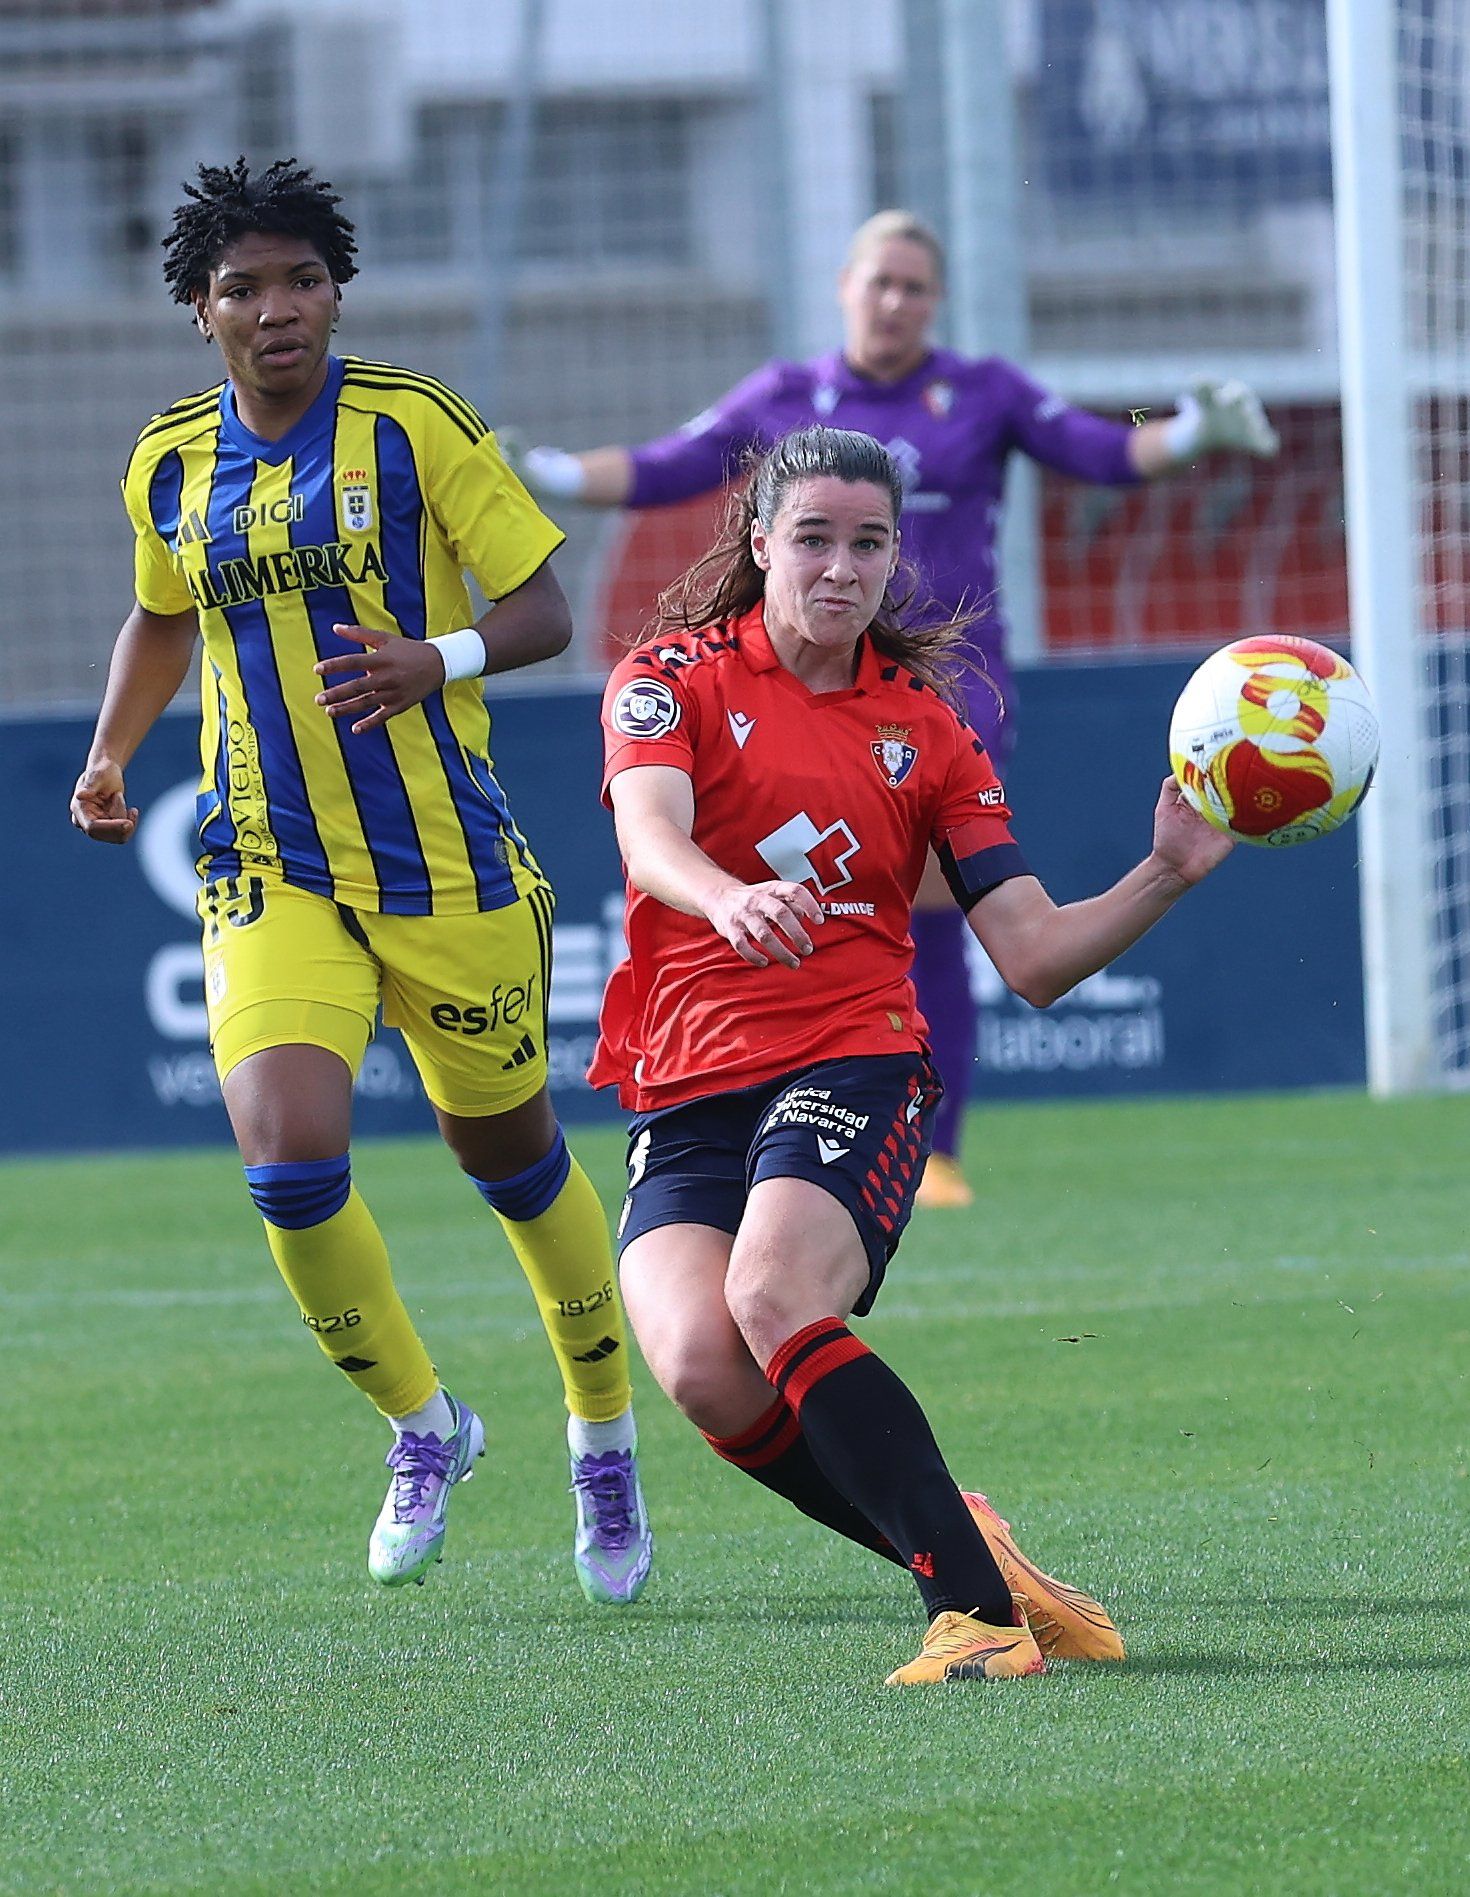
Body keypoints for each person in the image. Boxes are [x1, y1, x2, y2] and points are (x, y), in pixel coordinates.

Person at [69, 158, 652, 1605]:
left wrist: (430, 660)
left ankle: (602, 1430)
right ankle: (424, 1426)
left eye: (303, 281)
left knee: (509, 1162)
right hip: (266, 859)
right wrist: (108, 756)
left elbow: (540, 608)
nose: (279, 311)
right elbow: (161, 617)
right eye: (245, 288)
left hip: (441, 862)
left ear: (336, 291)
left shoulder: (414, 425)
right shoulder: (165, 461)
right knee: (286, 1158)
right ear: (199, 312)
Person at [589, 424, 1232, 1683]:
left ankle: (977, 1619)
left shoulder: (928, 729)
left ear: (895, 557)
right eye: (814, 537)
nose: (840, 566)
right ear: (760, 539)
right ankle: (975, 1552)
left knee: (773, 1296)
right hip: (689, 1077)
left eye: (868, 542)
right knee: (702, 1368)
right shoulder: (670, 680)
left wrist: (1164, 872)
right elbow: (651, 838)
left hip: (856, 1059)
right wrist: (722, 898)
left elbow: (1034, 955)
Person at [516, 208, 1276, 1209]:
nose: (896, 301)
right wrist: (547, 472)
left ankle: (934, 1144)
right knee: (787, 901)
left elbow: (1099, 452)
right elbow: (670, 463)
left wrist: (1191, 433)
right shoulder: (786, 401)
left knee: (929, 912)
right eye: (881, 281)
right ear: (845, 286)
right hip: (780, 699)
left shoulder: (985, 392)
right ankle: (769, 1113)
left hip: (938, 695)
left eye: (916, 287)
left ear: (936, 302)